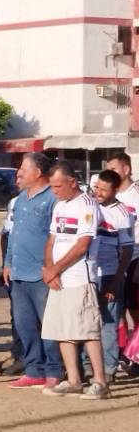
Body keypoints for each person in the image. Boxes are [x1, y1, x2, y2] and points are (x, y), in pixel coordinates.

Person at [40, 161, 109, 399]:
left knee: (88, 330)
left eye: (58, 186)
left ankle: (100, 381)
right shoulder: (59, 206)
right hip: (58, 279)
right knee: (63, 330)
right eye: (52, 186)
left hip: (80, 277)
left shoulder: (87, 205)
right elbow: (51, 240)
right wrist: (50, 270)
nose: (55, 191)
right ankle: (73, 379)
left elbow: (83, 245)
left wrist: (56, 269)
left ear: (72, 182)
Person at [2, 153, 63, 389]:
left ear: (38, 172)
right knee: (24, 325)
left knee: (48, 326)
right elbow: (13, 235)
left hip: (41, 274)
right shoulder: (20, 199)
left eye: (23, 169)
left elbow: (56, 237)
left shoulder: (52, 199)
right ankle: (33, 369)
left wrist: (51, 268)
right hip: (17, 273)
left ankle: (54, 370)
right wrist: (7, 263)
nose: (18, 173)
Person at [92, 169, 133, 381]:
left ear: (115, 190)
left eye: (103, 190)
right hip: (88, 274)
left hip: (109, 274)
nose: (98, 192)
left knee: (108, 323)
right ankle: (87, 366)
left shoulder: (122, 214)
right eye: (97, 187)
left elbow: (126, 250)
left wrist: (117, 281)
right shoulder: (88, 206)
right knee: (87, 322)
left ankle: (108, 369)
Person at [105, 153, 139, 350]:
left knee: (134, 307)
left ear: (126, 170)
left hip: (135, 256)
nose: (111, 173)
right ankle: (121, 349)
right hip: (112, 259)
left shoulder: (136, 195)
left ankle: (134, 350)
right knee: (117, 307)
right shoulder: (109, 196)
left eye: (114, 169)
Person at [0, 194, 24, 376]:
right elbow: (7, 232)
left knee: (33, 316)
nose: (18, 177)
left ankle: (30, 359)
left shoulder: (50, 199)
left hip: (29, 264)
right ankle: (18, 354)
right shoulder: (14, 201)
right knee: (17, 313)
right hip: (12, 259)